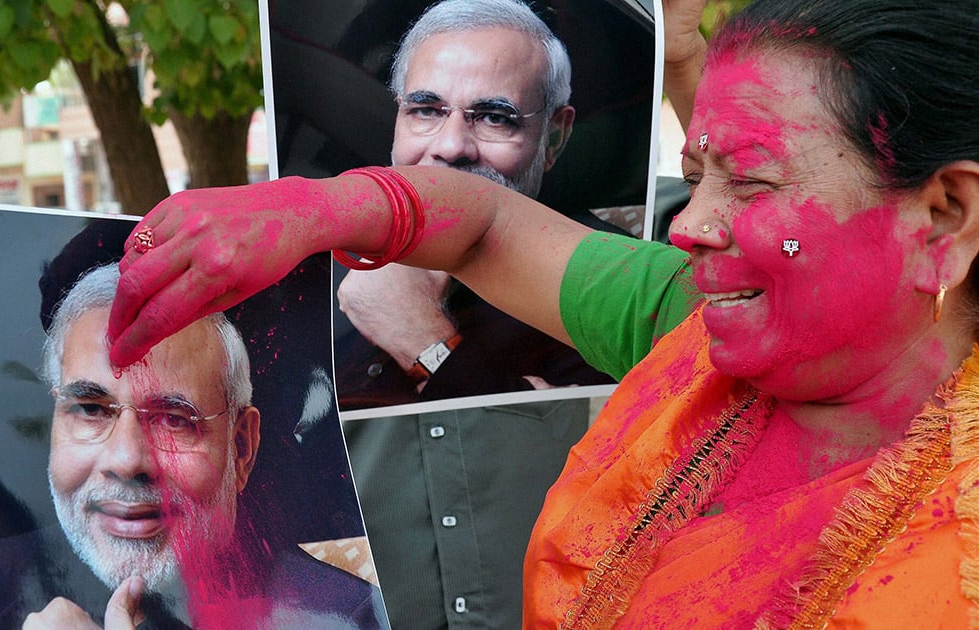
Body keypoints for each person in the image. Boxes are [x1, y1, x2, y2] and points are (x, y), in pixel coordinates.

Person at [106, 0, 979, 626]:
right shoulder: (691, 314)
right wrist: (322, 209)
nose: (689, 226)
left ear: (944, 215)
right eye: (699, 171)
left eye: (750, 181)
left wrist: (430, 345)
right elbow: (484, 227)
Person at [332, 1, 689, 627]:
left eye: (494, 118)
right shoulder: (308, 273)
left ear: (555, 136)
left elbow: (615, 482)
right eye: (425, 109)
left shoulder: (616, 283)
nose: (448, 147)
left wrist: (426, 341)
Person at [18, 264, 387, 629]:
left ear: (241, 449)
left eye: (173, 418)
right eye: (91, 410)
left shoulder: (342, 618)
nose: (127, 460)